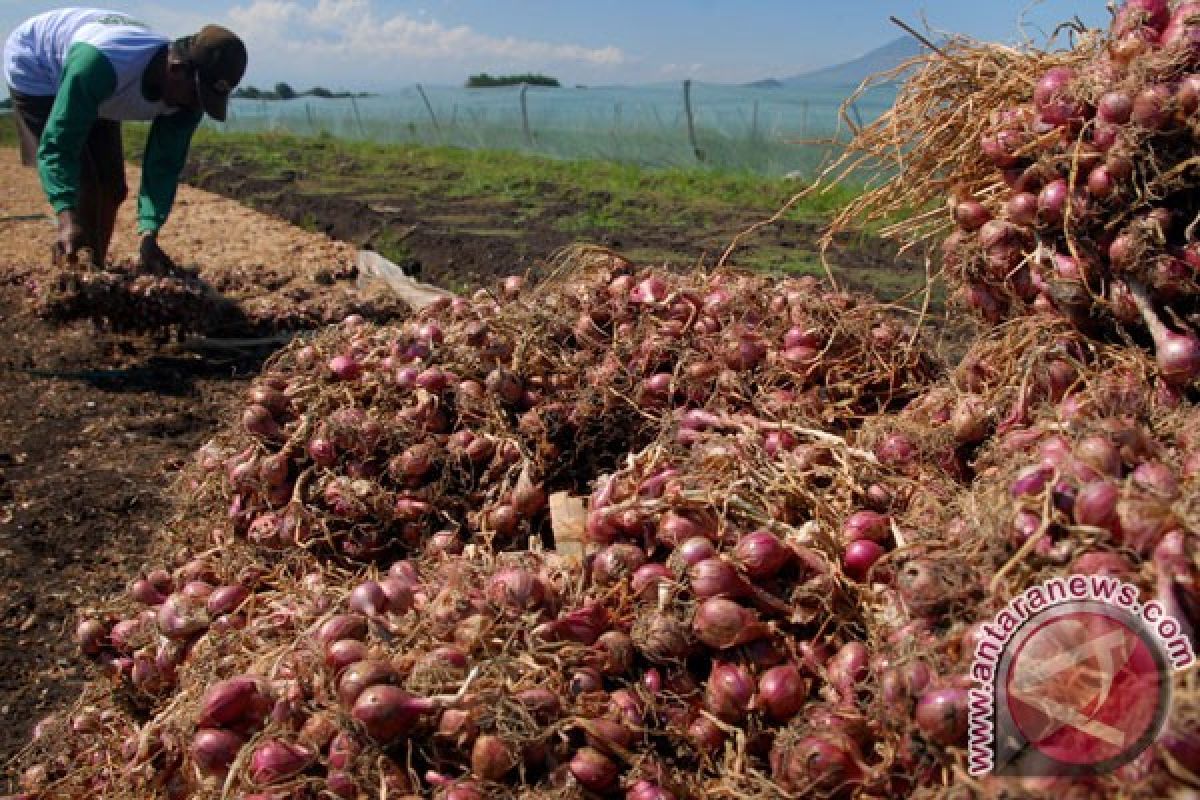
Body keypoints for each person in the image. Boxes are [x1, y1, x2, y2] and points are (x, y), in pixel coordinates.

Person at [3, 9, 247, 271]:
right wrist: (65, 216)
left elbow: (163, 165)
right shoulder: (101, 67)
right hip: (37, 64)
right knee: (84, 181)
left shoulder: (188, 101)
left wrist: (149, 234)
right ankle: (74, 275)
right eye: (196, 94)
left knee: (111, 186)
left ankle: (95, 268)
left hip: (99, 79)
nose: (196, 105)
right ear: (176, 69)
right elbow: (58, 147)